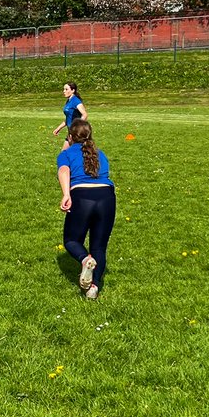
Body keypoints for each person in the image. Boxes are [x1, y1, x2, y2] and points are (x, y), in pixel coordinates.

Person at [57, 119, 115, 300]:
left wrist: (66, 194)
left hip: (82, 197)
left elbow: (64, 171)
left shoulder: (66, 153)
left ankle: (84, 260)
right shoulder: (100, 153)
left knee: (71, 240)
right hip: (107, 197)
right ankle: (93, 288)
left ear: (71, 136)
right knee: (99, 246)